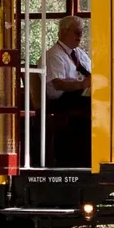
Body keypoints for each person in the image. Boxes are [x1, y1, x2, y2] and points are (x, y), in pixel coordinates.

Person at [44, 15, 92, 167]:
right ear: (63, 32)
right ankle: (80, 157)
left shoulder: (80, 54)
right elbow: (58, 84)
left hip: (79, 95)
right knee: (94, 106)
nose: (80, 36)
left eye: (81, 32)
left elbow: (92, 73)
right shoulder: (53, 55)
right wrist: (83, 84)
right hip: (61, 101)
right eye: (77, 33)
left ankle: (92, 152)